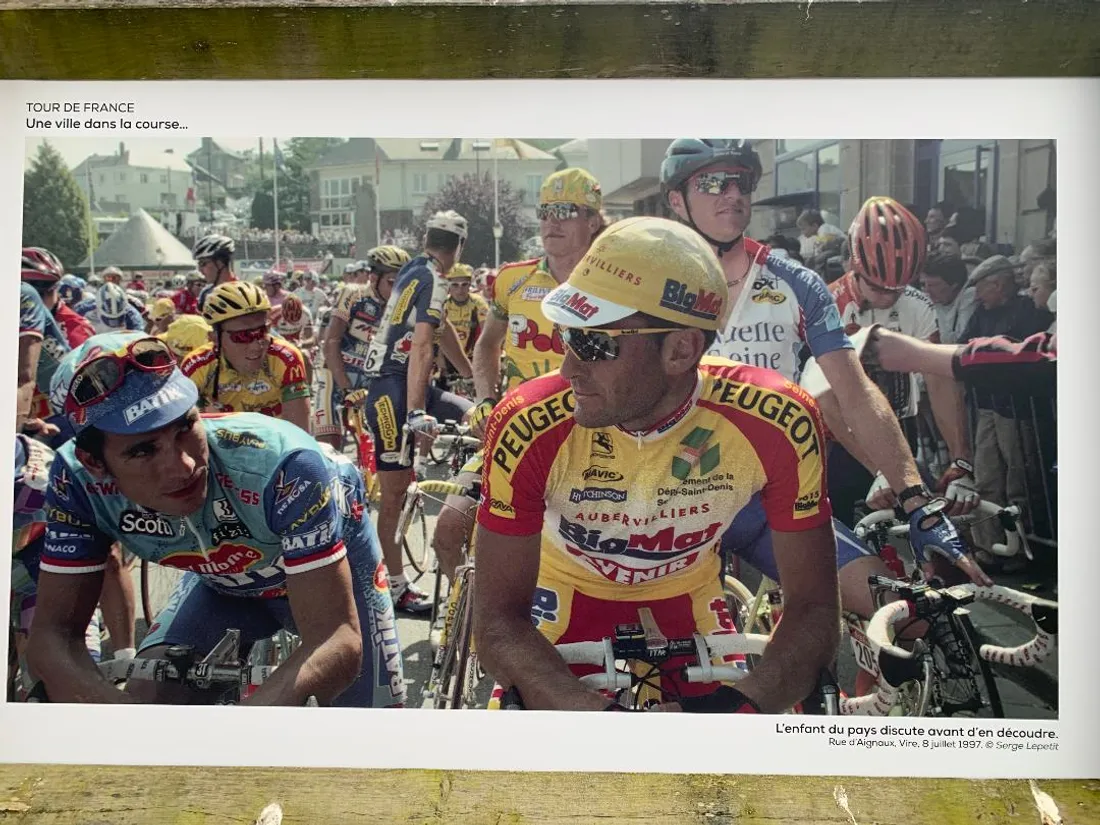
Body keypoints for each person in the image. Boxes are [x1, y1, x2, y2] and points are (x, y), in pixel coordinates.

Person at [473, 216, 840, 713]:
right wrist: (602, 723)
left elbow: (816, 612)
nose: (567, 367)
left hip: (688, 598)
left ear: (681, 349)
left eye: (594, 343)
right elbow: (496, 623)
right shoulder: (528, 423)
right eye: (567, 336)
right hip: (565, 595)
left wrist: (732, 714)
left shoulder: (780, 420)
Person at [658, 143, 984, 657]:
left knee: (911, 621)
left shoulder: (796, 284)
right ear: (677, 200)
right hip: (665, 502)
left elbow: (853, 395)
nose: (733, 195)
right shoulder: (648, 279)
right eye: (713, 183)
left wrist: (918, 503)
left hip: (767, 499)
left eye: (742, 183)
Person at [26, 337, 404, 707]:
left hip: (331, 572)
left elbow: (335, 637)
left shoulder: (285, 466)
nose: (184, 466)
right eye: (143, 450)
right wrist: (131, 731)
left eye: (186, 427)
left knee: (370, 721)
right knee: (152, 693)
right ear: (95, 463)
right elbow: (54, 638)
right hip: (223, 583)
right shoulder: (74, 480)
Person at [434, 169, 606, 588]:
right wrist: (486, 400)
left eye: (566, 211)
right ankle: (470, 621)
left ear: (594, 221)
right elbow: (485, 346)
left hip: (592, 442)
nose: (552, 222)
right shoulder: (513, 278)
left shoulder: (614, 282)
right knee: (447, 530)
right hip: (516, 433)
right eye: (546, 211)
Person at [826, 198, 976, 527]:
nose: (888, 298)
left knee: (935, 534)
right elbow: (826, 401)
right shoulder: (828, 303)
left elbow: (941, 380)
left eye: (898, 288)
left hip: (893, 433)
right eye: (877, 287)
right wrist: (877, 467)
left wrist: (961, 461)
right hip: (833, 442)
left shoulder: (917, 305)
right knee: (832, 548)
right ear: (854, 264)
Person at [362, 211, 474, 613]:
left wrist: (477, 378)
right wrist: (413, 411)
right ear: (459, 247)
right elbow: (424, 346)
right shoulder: (433, 279)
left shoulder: (415, 269)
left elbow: (445, 335)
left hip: (408, 386)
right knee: (392, 497)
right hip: (392, 394)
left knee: (474, 414)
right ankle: (393, 586)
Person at [959, 254, 1054, 551]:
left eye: (982, 288)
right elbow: (963, 348)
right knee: (987, 479)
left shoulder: (1029, 312)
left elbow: (1028, 362)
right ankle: (989, 547)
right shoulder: (981, 313)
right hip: (987, 405)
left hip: (1019, 411)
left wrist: (988, 369)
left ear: (998, 285)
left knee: (1019, 484)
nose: (976, 296)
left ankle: (1022, 551)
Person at [180, 281, 311, 433]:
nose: (256, 346)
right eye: (242, 336)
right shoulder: (196, 365)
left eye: (263, 331)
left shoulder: (286, 358)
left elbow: (300, 435)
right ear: (214, 338)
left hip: (278, 444)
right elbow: (191, 438)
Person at [315, 246, 408, 451]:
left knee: (384, 445)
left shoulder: (403, 306)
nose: (398, 290)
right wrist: (346, 387)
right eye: (392, 283)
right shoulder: (352, 295)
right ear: (374, 279)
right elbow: (331, 342)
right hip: (337, 374)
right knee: (328, 446)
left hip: (371, 380)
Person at [438, 263, 488, 392]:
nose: (460, 290)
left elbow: (486, 334)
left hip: (473, 357)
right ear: (448, 286)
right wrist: (439, 359)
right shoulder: (443, 304)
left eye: (464, 285)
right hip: (449, 358)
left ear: (470, 284)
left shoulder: (478, 302)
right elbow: (435, 334)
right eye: (455, 285)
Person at [920, 250, 976, 345]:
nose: (926, 290)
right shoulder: (928, 300)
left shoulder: (969, 296)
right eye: (923, 284)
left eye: (933, 285)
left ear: (954, 284)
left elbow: (960, 340)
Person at [74, 283, 145, 335]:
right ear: (97, 306)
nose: (113, 322)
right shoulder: (84, 309)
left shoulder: (133, 315)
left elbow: (138, 337)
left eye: (118, 318)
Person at [192, 234, 238, 312]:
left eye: (203, 263)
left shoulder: (241, 292)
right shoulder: (205, 293)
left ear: (220, 263)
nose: (200, 269)